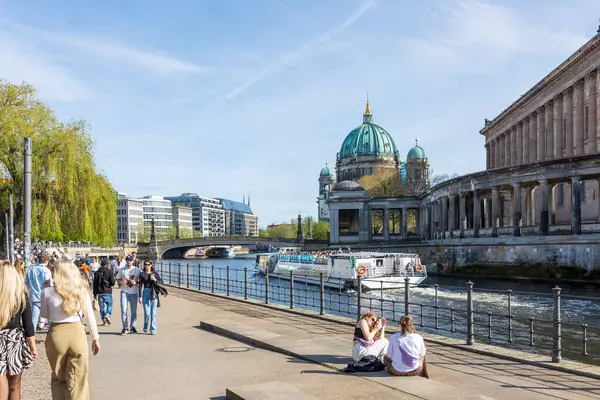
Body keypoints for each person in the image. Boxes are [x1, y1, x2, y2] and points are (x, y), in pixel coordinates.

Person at [41, 260, 100, 400]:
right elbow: (89, 317)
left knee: (58, 377)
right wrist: (95, 338)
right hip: (77, 333)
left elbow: (44, 315)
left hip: (57, 333)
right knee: (78, 379)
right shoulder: (81, 291)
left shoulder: (47, 292)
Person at [0, 260, 37, 400]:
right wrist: (33, 347)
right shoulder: (20, 294)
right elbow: (28, 325)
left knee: (1, 381)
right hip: (15, 340)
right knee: (15, 385)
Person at [24, 252, 52, 332]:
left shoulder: (30, 270)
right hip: (45, 295)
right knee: (50, 315)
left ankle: (32, 334)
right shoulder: (46, 270)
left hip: (34, 296)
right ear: (46, 261)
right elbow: (48, 284)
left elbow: (26, 283)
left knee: (34, 317)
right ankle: (51, 331)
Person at [116, 256, 141, 335]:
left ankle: (133, 327)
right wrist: (121, 282)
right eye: (127, 260)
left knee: (133, 311)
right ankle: (125, 327)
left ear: (133, 261)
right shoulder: (121, 270)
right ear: (126, 261)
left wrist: (135, 282)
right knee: (124, 310)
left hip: (134, 292)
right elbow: (117, 280)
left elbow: (140, 280)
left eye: (130, 260)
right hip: (124, 292)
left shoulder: (137, 270)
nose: (129, 262)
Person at [138, 260, 162, 335]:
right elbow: (140, 286)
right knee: (147, 313)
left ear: (151, 265)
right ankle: (145, 326)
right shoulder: (142, 274)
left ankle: (153, 329)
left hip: (154, 292)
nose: (147, 266)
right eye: (145, 264)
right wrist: (140, 297)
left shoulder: (155, 273)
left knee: (153, 313)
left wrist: (155, 279)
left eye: (148, 265)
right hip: (145, 292)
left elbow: (161, 282)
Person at [92, 259, 115, 326]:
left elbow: (95, 284)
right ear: (107, 265)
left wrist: (94, 294)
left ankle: (103, 320)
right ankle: (107, 314)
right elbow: (113, 283)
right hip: (107, 291)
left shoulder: (96, 273)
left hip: (99, 292)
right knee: (109, 304)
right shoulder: (110, 272)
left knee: (101, 307)